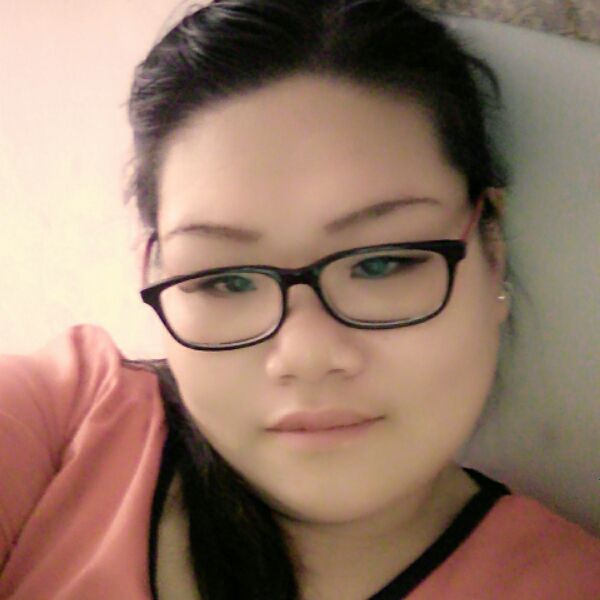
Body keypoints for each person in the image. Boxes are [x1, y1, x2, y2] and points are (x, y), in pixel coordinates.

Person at [1, 1, 599, 598]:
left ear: (492, 248)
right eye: (225, 280)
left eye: (380, 263)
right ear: (152, 273)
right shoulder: (65, 422)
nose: (306, 355)